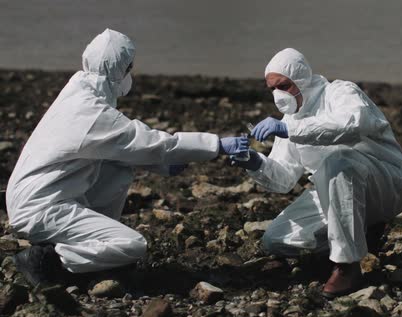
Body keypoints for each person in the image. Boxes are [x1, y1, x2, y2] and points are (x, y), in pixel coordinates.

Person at [6, 29, 248, 286]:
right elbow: (149, 141)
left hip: (39, 197)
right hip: (41, 206)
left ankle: (94, 252)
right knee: (132, 245)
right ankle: (47, 260)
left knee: (117, 169)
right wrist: (217, 144)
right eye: (129, 67)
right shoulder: (90, 112)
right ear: (121, 69)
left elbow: (120, 149)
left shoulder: (78, 94)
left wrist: (164, 166)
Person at [232, 48, 402, 298]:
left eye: (283, 85)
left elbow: (351, 125)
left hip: (388, 184)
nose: (278, 94)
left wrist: (289, 129)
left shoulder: (340, 92)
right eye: (272, 89)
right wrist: (255, 163)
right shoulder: (290, 119)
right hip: (339, 194)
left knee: (338, 161)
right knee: (275, 239)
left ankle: (347, 266)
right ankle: (361, 236)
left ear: (301, 79)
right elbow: (284, 178)